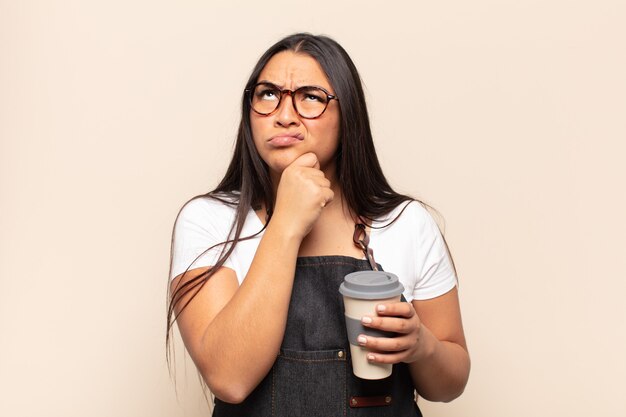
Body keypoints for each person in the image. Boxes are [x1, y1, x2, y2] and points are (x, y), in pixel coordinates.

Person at [167, 33, 470, 416]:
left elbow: (451, 383)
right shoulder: (209, 221)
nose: (284, 114)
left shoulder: (406, 223)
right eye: (267, 94)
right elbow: (230, 378)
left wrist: (421, 346)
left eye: (310, 96)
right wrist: (287, 223)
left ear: (349, 115)